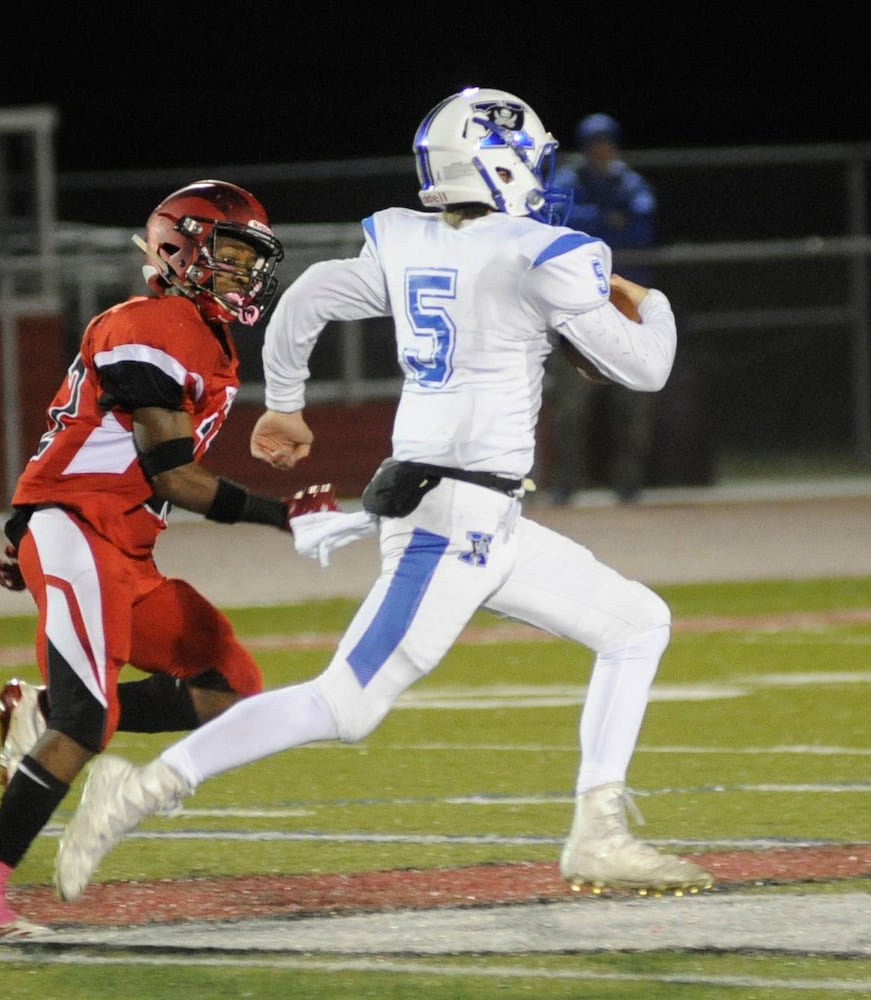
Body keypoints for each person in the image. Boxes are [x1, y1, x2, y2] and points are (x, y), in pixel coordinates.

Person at [53, 88, 713, 902]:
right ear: (501, 162)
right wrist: (647, 296)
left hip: (483, 513)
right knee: (346, 703)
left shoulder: (410, 239)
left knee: (638, 622)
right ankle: (142, 787)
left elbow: (311, 297)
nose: (543, 179)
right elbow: (648, 366)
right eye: (532, 162)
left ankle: (598, 830)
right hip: (450, 516)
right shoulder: (541, 252)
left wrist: (287, 403)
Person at [0, 180, 336, 939]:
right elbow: (174, 477)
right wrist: (285, 517)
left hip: (117, 541)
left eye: (251, 258)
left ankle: (42, 709)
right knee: (91, 725)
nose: (244, 272)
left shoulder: (195, 332)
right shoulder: (149, 323)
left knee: (231, 685)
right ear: (177, 247)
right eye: (230, 254)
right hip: (80, 528)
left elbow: (91, 443)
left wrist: (28, 529)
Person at [543, 113, 659, 504]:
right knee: (571, 409)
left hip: (625, 311)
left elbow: (641, 231)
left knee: (632, 405)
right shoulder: (568, 181)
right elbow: (563, 227)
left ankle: (628, 485)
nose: (600, 151)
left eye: (606, 143)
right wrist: (609, 221)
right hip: (579, 311)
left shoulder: (631, 182)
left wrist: (600, 227)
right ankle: (566, 485)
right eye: (594, 144)